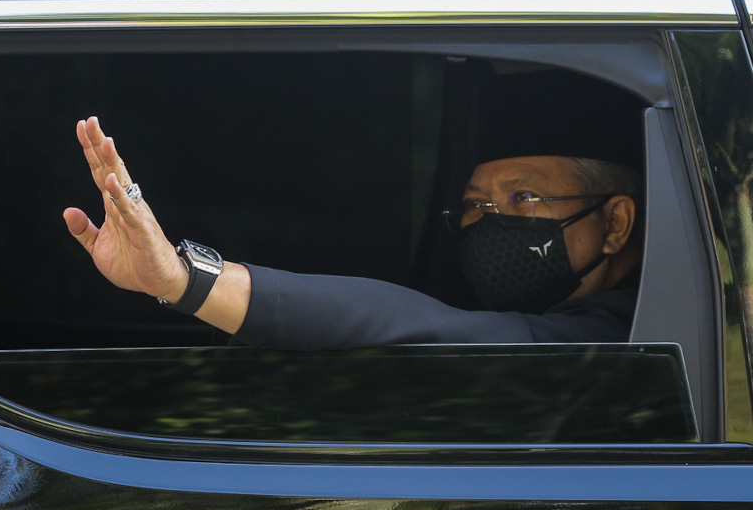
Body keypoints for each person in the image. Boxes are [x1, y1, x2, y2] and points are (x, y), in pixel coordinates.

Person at [63, 116, 641, 351]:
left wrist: (187, 281)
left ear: (615, 224)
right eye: (474, 204)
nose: (490, 219)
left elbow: (423, 329)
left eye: (523, 197)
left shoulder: (627, 335)